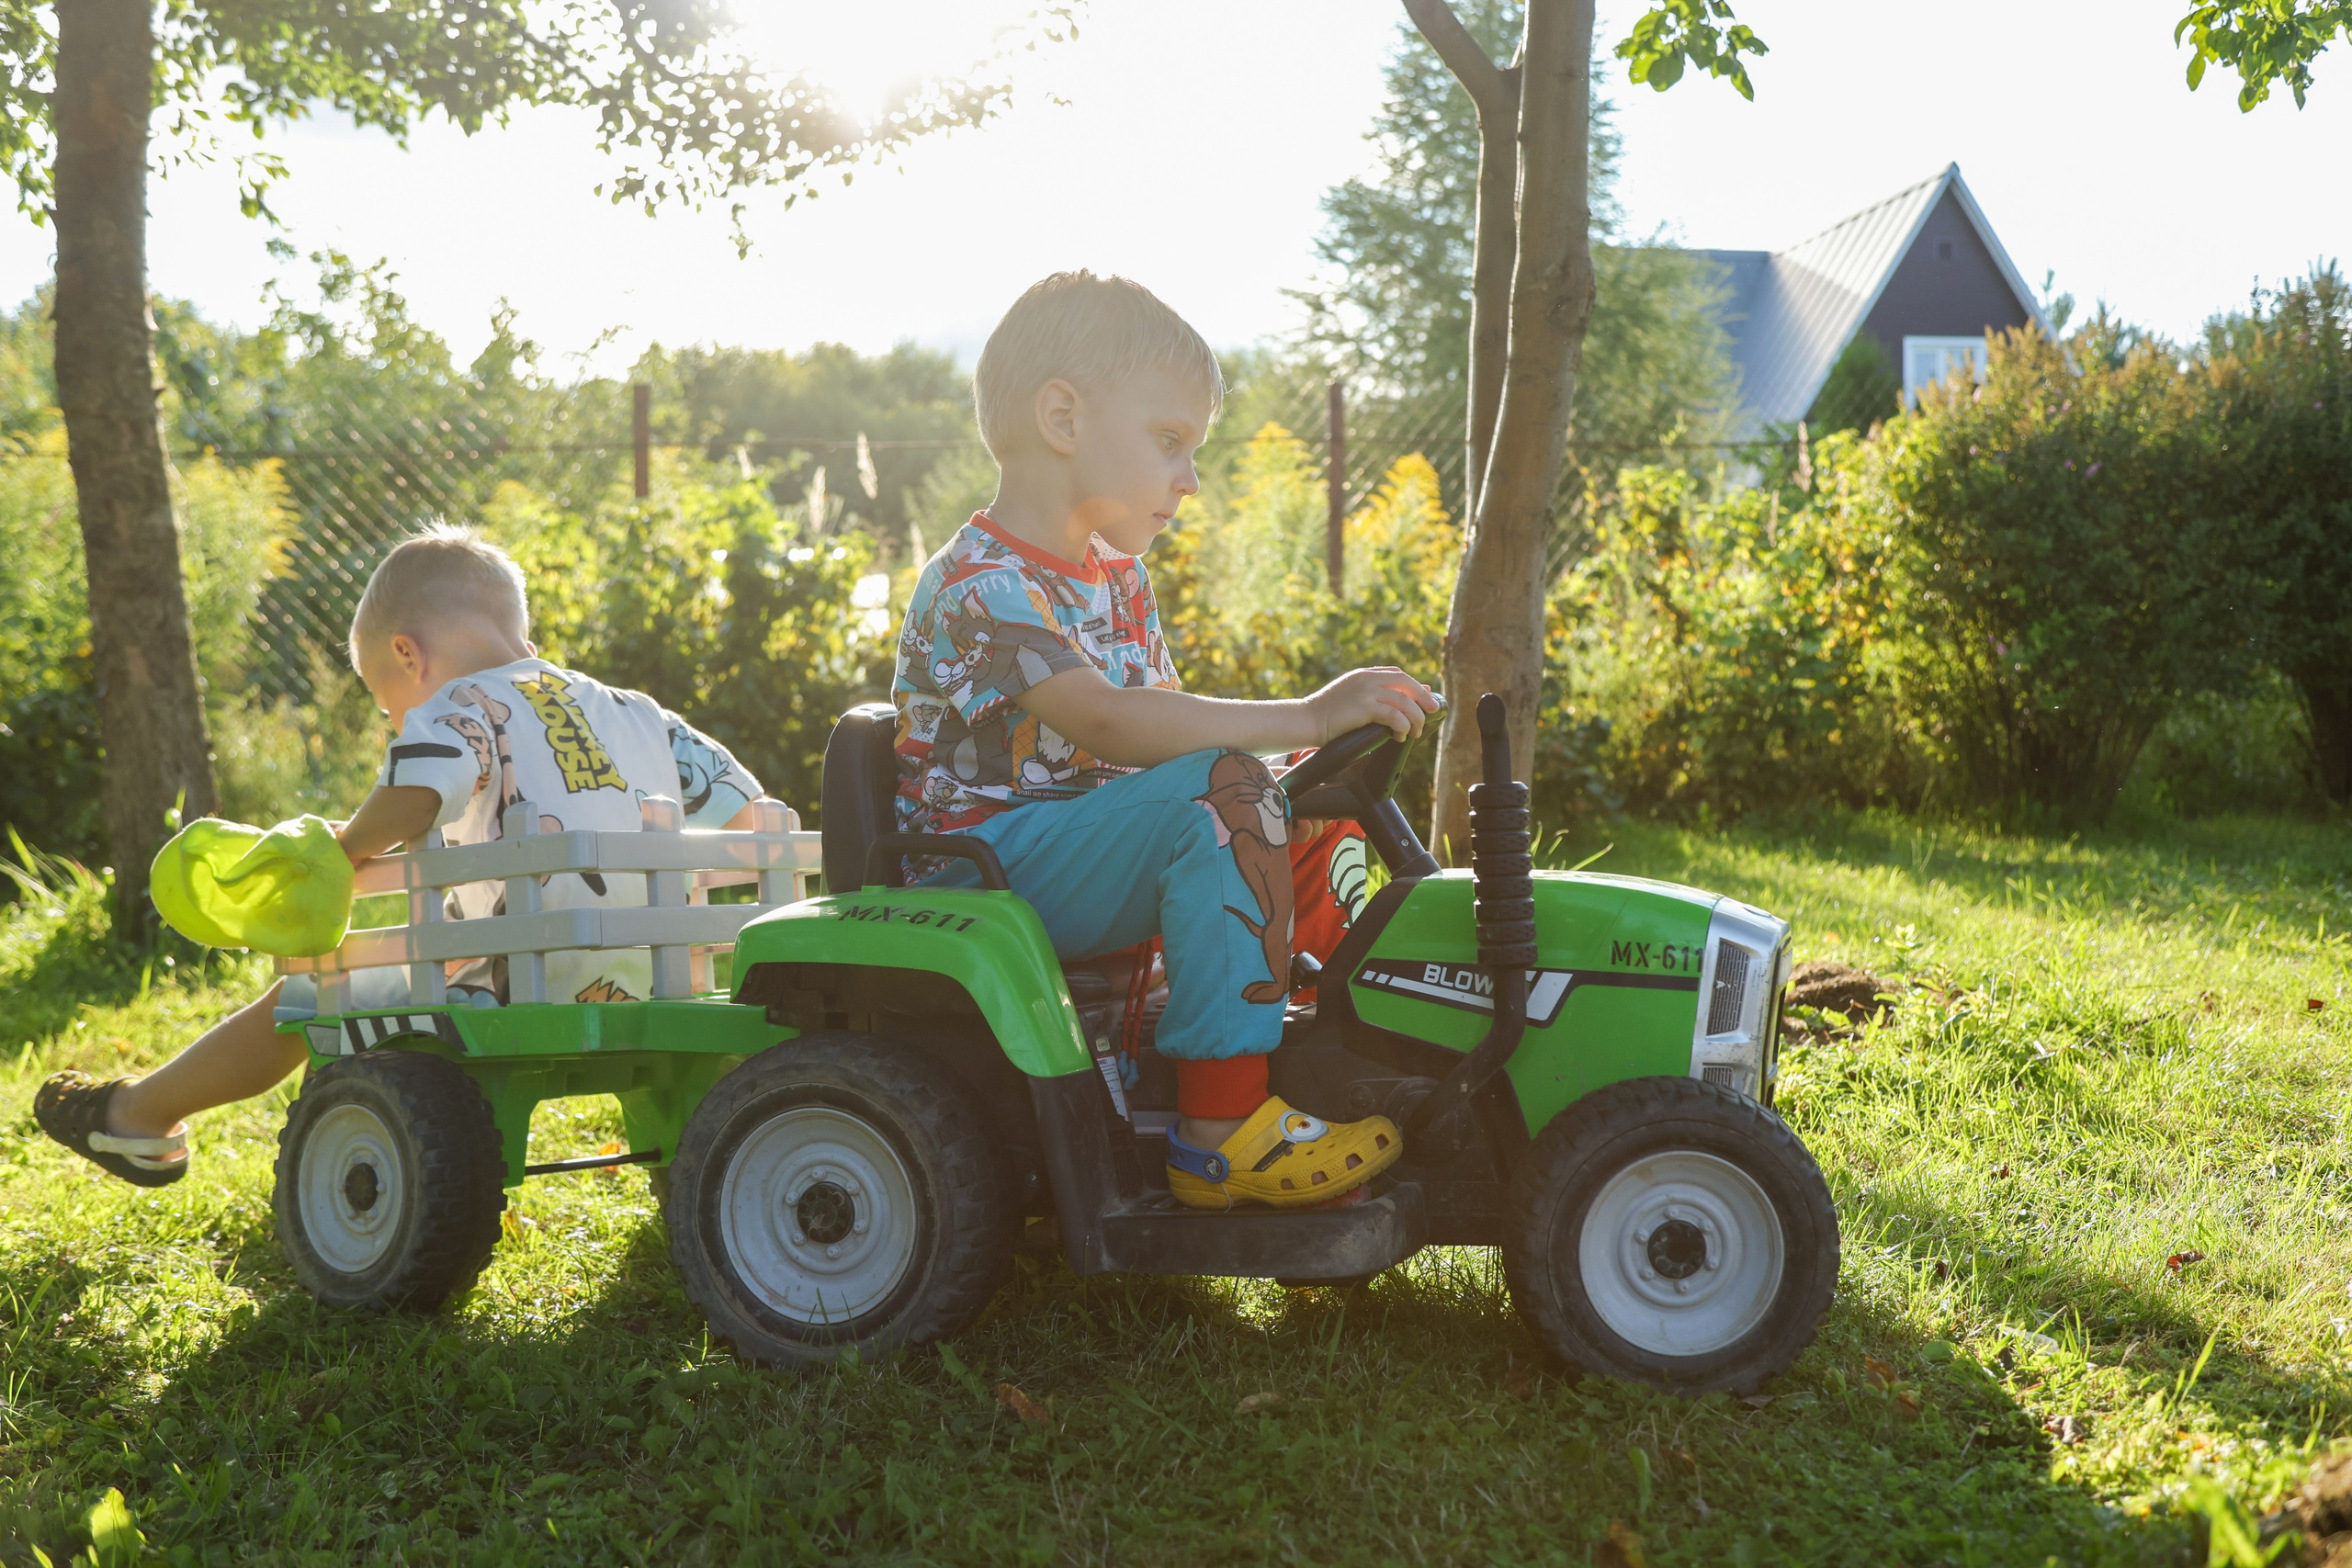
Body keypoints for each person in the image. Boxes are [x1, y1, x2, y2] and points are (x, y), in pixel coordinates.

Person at [895, 271, 1439, 1212]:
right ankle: (1219, 1132)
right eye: (1169, 442)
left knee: (1303, 814)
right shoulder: (980, 583)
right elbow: (1112, 721)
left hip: (1083, 843)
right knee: (1228, 796)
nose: (1189, 477)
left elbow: (1163, 730)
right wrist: (1308, 717)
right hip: (986, 866)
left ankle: (1326, 1059)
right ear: (1062, 418)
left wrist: (1296, 775)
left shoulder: (1117, 581)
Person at [37, 525, 771, 1187]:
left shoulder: (463, 706)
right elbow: (750, 815)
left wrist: (348, 846)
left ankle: (141, 1113)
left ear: (407, 654)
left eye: (385, 705)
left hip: (520, 986)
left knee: (305, 996)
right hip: (664, 982)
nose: (395, 720)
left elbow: (418, 791)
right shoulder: (637, 711)